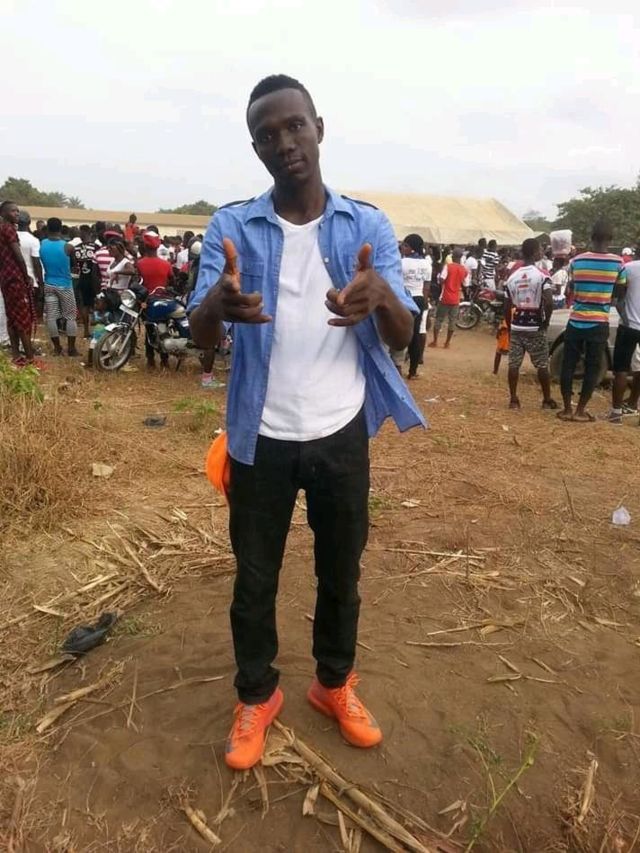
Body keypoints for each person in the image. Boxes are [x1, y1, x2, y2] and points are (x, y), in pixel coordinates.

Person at [189, 73, 424, 771]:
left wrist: (381, 295)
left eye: (294, 126)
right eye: (268, 134)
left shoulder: (366, 226)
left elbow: (405, 333)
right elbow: (200, 334)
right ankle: (257, 695)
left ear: (319, 128)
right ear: (256, 148)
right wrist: (218, 305)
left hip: (339, 432)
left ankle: (333, 684)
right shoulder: (232, 227)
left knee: (340, 571)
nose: (285, 142)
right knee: (254, 578)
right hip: (258, 436)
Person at [558, 220, 625, 422]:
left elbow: (571, 289)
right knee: (592, 367)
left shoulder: (576, 261)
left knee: (568, 364)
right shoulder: (618, 263)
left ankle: (566, 409)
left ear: (591, 237)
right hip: (599, 322)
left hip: (575, 320)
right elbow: (618, 295)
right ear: (610, 239)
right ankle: (580, 411)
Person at [504, 238, 557, 410]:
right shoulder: (542, 276)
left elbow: (507, 306)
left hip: (517, 324)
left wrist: (509, 325)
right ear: (535, 253)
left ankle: (513, 400)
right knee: (542, 364)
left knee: (514, 364)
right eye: (540, 249)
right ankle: (547, 399)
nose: (542, 252)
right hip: (535, 325)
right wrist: (545, 322)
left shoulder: (512, 277)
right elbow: (549, 302)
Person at [0, 201, 36, 364]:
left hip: (5, 277)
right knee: (22, 318)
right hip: (15, 277)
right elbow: (18, 255)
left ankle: (16, 355)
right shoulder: (9, 229)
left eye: (17, 211)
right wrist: (26, 275)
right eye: (13, 211)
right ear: (3, 213)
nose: (17, 214)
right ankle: (30, 358)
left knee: (12, 317)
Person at [609, 249, 640, 424]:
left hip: (629, 326)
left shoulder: (628, 268)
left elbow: (617, 300)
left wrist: (626, 319)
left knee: (621, 370)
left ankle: (616, 413)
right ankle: (634, 404)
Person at [40, 217, 78, 356]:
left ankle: (57, 348)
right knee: (70, 317)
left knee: (51, 317)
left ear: (48, 228)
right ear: (61, 228)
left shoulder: (42, 244)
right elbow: (74, 265)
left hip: (49, 283)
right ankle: (71, 349)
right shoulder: (68, 247)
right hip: (65, 285)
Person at [399, 233, 431, 379]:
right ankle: (413, 371)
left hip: (403, 298)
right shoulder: (426, 264)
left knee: (399, 330)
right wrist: (425, 303)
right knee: (415, 334)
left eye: (405, 245)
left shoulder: (402, 262)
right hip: (419, 299)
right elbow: (426, 287)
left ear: (411, 248)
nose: (402, 248)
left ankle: (397, 365)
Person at [430, 247, 467, 349]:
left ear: (453, 256)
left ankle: (435, 341)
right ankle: (447, 343)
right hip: (456, 298)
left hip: (445, 297)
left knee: (439, 319)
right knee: (452, 321)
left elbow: (441, 280)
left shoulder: (448, 267)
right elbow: (465, 283)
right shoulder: (463, 269)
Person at [73, 225, 99, 338]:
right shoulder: (96, 247)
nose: (80, 234)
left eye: (80, 232)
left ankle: (86, 331)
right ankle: (97, 331)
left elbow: (74, 266)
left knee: (85, 305)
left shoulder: (76, 248)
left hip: (83, 278)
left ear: (85, 232)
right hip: (95, 279)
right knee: (97, 303)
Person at [17, 212, 44, 316]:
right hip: (30, 280)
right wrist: (41, 283)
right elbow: (36, 263)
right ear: (29, 222)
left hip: (11, 278)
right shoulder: (33, 240)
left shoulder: (9, 237)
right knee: (29, 312)